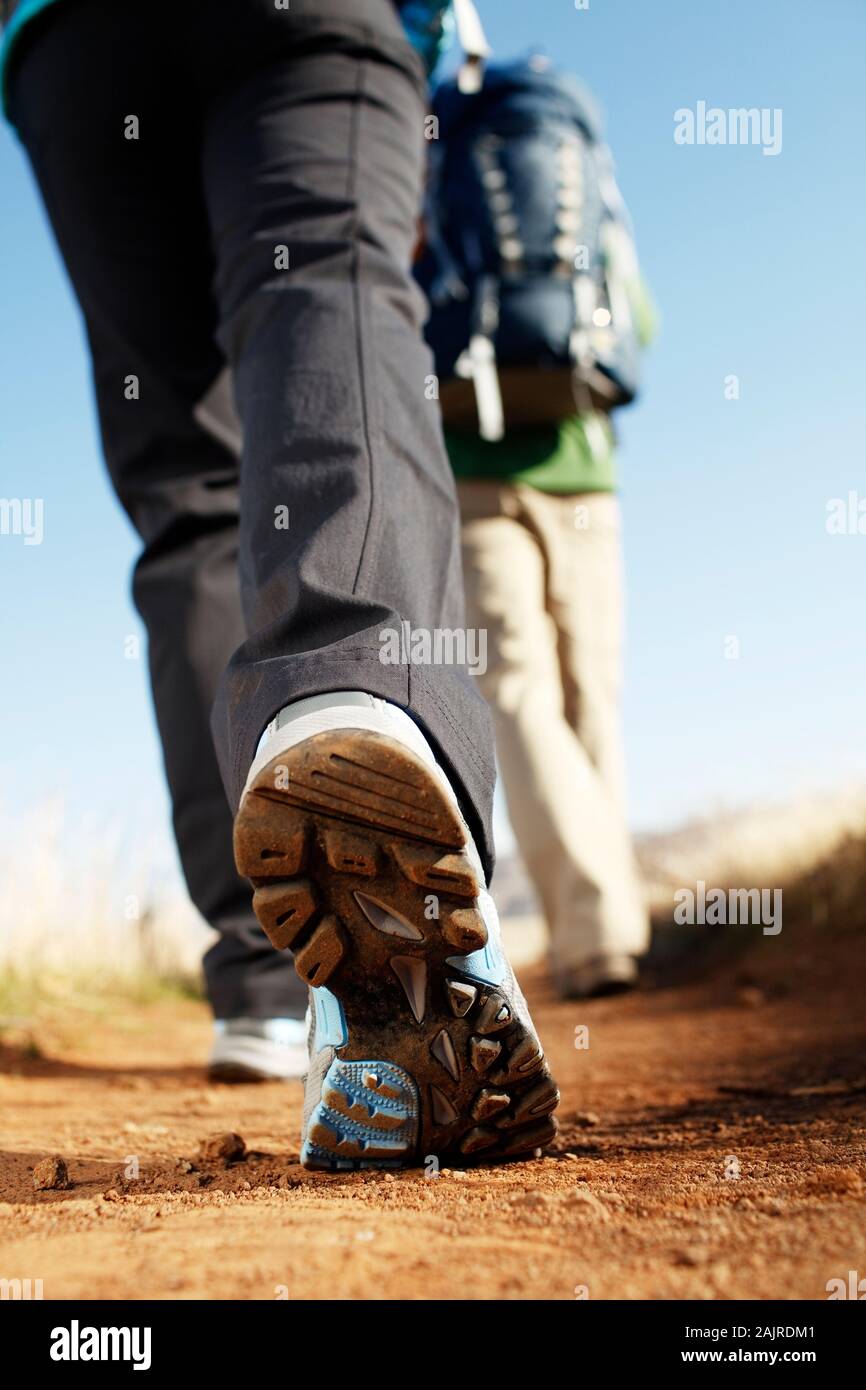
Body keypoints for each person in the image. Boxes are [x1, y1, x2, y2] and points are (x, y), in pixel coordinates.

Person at [2, 0, 558, 1167]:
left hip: (74, 51)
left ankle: (263, 974)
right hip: (308, 23)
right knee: (330, 295)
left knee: (184, 481)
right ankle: (353, 687)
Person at [416, 58, 653, 998]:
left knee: (515, 687)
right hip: (584, 466)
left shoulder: (428, 169)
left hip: (470, 464)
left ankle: (595, 930)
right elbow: (641, 322)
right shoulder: (589, 178)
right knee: (592, 690)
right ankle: (607, 929)